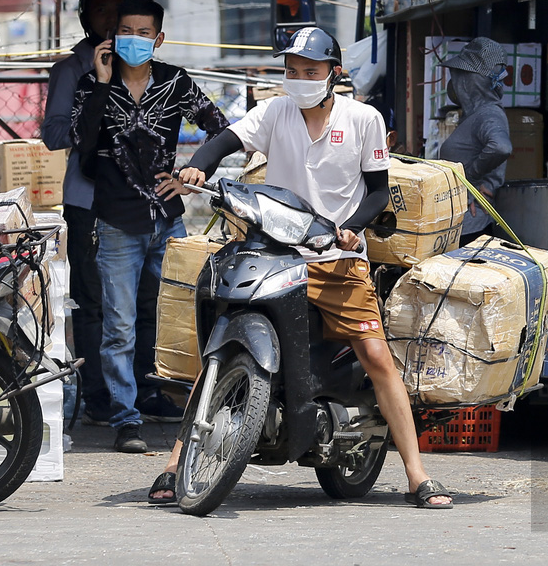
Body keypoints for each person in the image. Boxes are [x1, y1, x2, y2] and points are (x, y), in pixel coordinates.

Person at [150, 26, 454, 510]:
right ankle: (175, 462)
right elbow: (225, 139)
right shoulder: (275, 111)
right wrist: (198, 167)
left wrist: (352, 228)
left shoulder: (363, 119)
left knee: (377, 357)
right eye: (291, 71)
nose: (299, 80)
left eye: (310, 72)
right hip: (273, 252)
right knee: (220, 346)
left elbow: (376, 192)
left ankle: (417, 474)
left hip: (337, 259)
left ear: (333, 73)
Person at [70, 0, 230, 453]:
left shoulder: (175, 81)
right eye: (126, 32)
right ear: (111, 38)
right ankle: (126, 420)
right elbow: (82, 148)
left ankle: (193, 410)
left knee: (182, 317)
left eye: (144, 33)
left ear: (158, 39)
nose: (134, 40)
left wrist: (191, 174)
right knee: (118, 325)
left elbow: (220, 128)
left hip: (168, 221)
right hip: (116, 221)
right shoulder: (89, 85)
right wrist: (102, 83)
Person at [42, 0, 166, 427]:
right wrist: (98, 108)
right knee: (96, 303)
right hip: (91, 202)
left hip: (142, 203)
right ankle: (101, 396)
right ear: (84, 18)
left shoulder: (155, 70)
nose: (113, 23)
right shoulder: (71, 70)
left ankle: (146, 388)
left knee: (149, 298)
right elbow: (54, 134)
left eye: (121, 13)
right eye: (102, 12)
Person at [437, 38, 512, 239]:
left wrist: (470, 177)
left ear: (471, 80)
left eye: (460, 75)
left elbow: (501, 147)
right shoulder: (477, 115)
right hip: (461, 223)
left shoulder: (488, 114)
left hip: (472, 227)